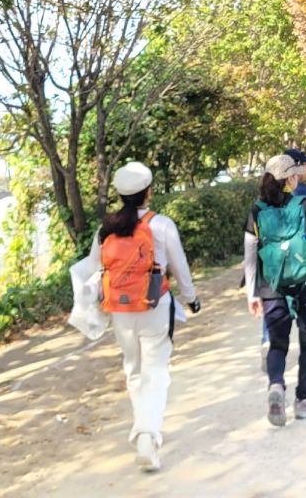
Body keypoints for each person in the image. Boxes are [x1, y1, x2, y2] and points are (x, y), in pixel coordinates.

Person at [89, 161, 200, 472]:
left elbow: (96, 269)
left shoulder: (106, 229)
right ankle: (147, 437)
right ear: (148, 192)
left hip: (120, 311)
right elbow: (179, 266)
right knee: (156, 373)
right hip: (154, 305)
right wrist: (191, 298)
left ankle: (143, 431)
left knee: (134, 371)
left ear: (121, 196)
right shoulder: (161, 225)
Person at [244, 154, 306, 426]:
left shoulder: (257, 211)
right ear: (290, 179)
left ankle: (276, 384)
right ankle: (303, 401)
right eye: (295, 174)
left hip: (273, 286)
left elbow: (250, 256)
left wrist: (252, 293)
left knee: (277, 344)